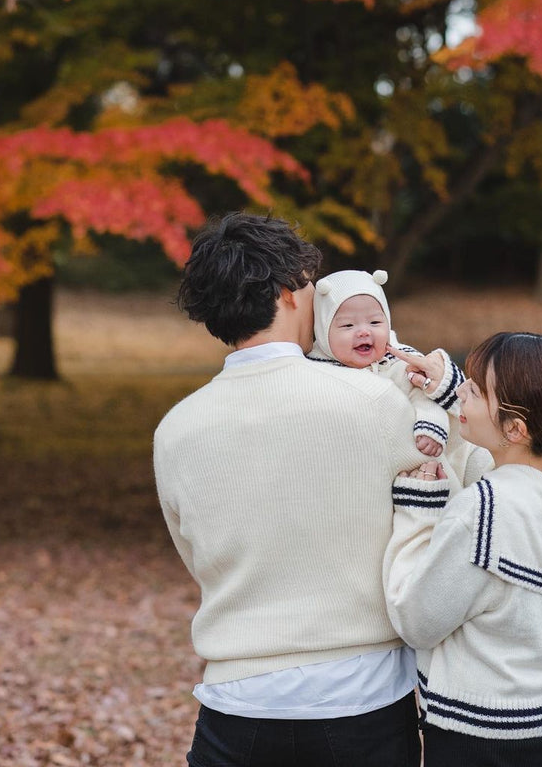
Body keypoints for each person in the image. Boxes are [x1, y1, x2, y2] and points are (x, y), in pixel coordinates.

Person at [154, 212, 428, 767]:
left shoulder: (176, 428)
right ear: (288, 292)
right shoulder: (374, 402)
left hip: (236, 703)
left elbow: (195, 553)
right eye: (310, 286)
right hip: (362, 694)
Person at [383, 331, 542, 767]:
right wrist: (453, 392)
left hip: (471, 739)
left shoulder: (482, 511)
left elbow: (416, 621)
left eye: (474, 389)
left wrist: (419, 512)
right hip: (538, 728)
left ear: (516, 428)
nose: (463, 393)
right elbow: (508, 463)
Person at [308, 268, 491, 488]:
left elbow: (425, 398)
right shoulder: (316, 372)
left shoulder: (400, 362)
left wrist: (430, 427)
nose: (364, 332)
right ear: (322, 331)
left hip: (431, 467)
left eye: (375, 323)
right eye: (348, 325)